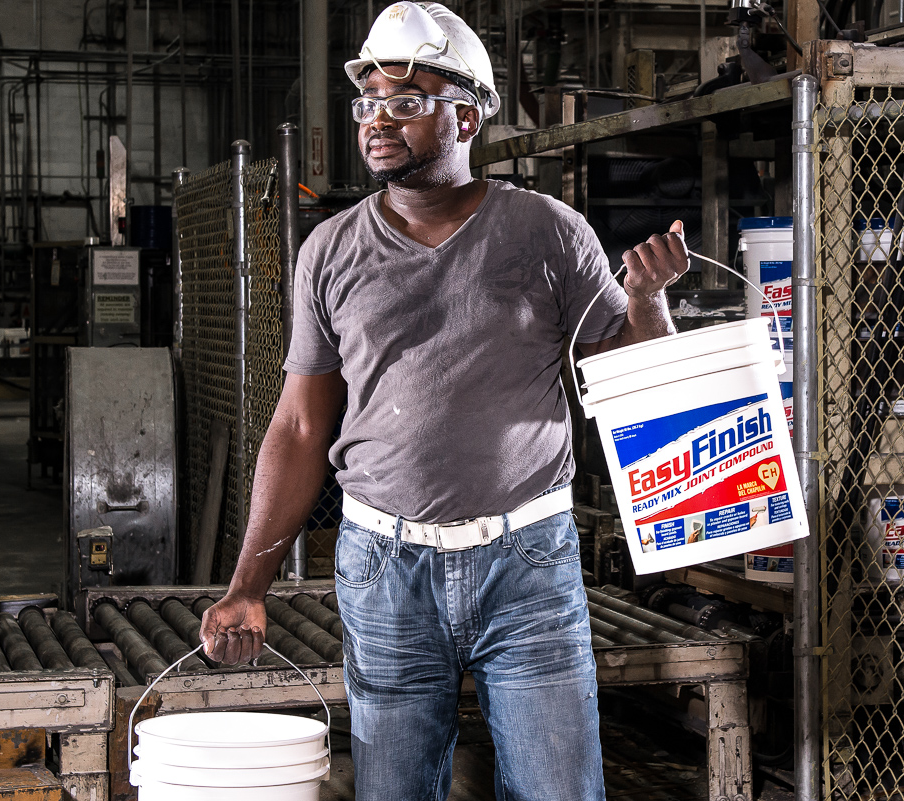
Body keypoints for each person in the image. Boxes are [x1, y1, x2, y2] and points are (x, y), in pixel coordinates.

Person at [199, 3, 689, 799]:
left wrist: (647, 301)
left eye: (405, 100)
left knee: (558, 789)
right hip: (384, 567)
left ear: (465, 115)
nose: (377, 121)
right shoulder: (329, 252)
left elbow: (632, 382)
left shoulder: (548, 233)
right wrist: (247, 582)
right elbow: (297, 424)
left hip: (527, 563)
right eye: (368, 103)